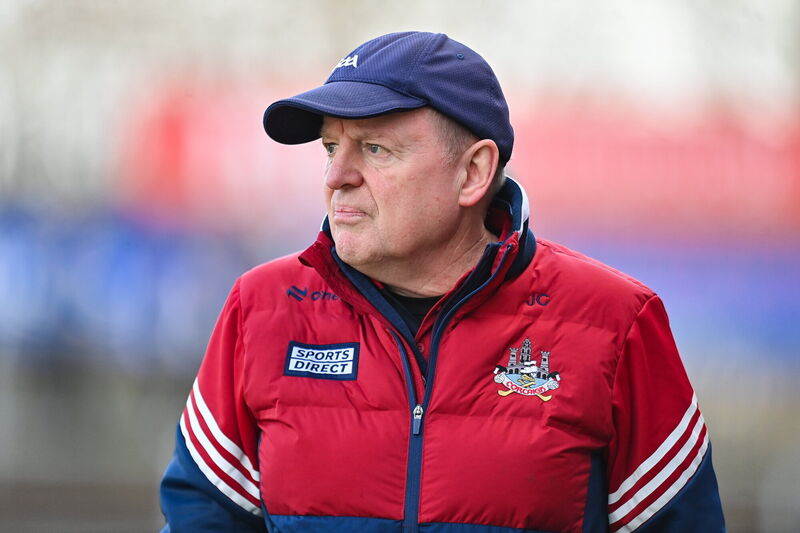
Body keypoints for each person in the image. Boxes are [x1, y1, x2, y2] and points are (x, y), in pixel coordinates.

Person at [159, 31, 726, 533]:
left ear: (473, 172)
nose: (335, 177)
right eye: (331, 147)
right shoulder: (261, 309)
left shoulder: (616, 322)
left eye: (374, 148)